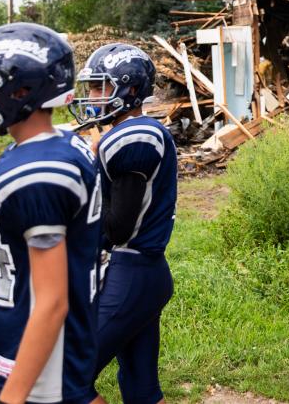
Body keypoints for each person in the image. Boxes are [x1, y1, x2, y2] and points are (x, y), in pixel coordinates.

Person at [0, 23, 105, 404]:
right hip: (59, 348)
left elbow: (52, 301)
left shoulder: (36, 175)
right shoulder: (64, 143)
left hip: (41, 366)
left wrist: (12, 397)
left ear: (21, 91)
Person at [71, 43, 177, 404]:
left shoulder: (134, 136)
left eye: (101, 87)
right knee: (141, 390)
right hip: (143, 273)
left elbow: (117, 227)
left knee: (66, 379)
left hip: (131, 272)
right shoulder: (122, 131)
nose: (92, 96)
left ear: (130, 90)